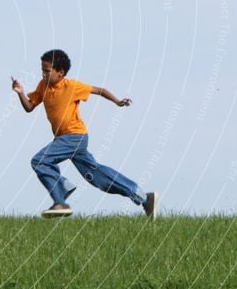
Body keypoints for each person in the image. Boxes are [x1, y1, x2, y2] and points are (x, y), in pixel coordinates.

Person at [12, 49, 158, 219]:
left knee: (40, 160)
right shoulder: (42, 86)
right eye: (42, 70)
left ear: (61, 73)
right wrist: (20, 92)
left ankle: (61, 198)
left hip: (74, 136)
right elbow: (29, 107)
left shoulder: (72, 86)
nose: (43, 74)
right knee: (96, 175)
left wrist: (117, 101)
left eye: (47, 70)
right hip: (65, 139)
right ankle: (144, 198)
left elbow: (100, 90)